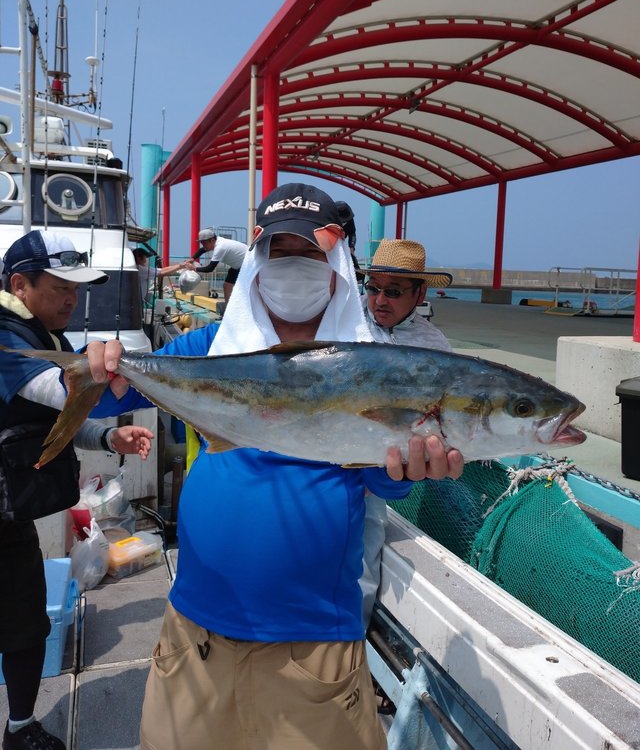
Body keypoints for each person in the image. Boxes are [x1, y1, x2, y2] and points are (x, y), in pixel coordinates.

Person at [85, 183, 463, 750]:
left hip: (312, 645)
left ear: (337, 265)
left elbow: (386, 480)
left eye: (309, 254)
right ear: (258, 260)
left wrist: (413, 466)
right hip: (196, 631)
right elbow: (109, 394)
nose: (293, 267)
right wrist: (99, 362)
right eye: (279, 251)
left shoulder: (367, 366)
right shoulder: (211, 349)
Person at [0, 230, 154, 750]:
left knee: (25, 627)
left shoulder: (47, 337)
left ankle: (19, 727)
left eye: (78, 288)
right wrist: (115, 371)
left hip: (12, 518)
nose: (73, 298)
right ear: (20, 284)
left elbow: (55, 419)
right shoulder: (4, 337)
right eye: (61, 286)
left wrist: (108, 435)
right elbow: (57, 390)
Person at [358, 239, 454, 628]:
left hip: (377, 480)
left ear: (420, 293)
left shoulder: (435, 346)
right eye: (372, 288)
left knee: (360, 579)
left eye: (393, 291)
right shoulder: (345, 325)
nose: (380, 300)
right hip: (326, 467)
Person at [189, 228, 248, 302]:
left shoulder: (220, 247)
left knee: (246, 289)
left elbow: (210, 268)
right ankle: (228, 309)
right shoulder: (216, 241)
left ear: (212, 240)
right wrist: (192, 259)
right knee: (227, 286)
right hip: (238, 266)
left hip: (248, 264)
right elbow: (202, 250)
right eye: (201, 243)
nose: (203, 245)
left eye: (204, 243)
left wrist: (194, 268)